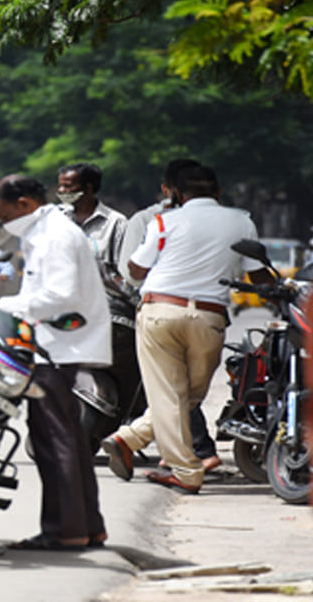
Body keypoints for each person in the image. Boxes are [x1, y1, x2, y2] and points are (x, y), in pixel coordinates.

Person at [103, 166, 272, 494]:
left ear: (174, 194)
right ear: (219, 193)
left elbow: (136, 268)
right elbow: (259, 276)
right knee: (189, 394)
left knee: (173, 394)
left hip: (160, 311)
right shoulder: (242, 222)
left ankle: (130, 437)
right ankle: (184, 469)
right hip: (209, 317)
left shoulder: (164, 221)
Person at [0, 174, 110, 550]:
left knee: (54, 441)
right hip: (55, 346)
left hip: (56, 349)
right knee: (69, 440)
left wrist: (1, 304)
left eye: (2, 214)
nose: (1, 222)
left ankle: (64, 531)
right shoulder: (45, 232)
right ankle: (88, 526)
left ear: (24, 205)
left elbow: (60, 294)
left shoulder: (55, 237)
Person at [118, 159, 221, 472]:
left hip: (173, 310)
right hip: (177, 311)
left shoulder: (209, 222)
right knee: (179, 389)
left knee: (183, 390)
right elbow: (131, 271)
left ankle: (135, 438)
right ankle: (190, 458)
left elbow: (134, 270)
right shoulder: (148, 220)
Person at [57, 163, 127, 288]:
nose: (61, 191)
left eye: (67, 186)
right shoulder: (57, 219)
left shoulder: (115, 222)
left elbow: (124, 270)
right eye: (61, 186)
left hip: (104, 300)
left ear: (88, 188)